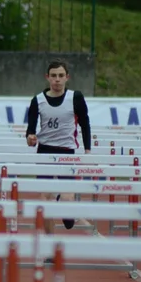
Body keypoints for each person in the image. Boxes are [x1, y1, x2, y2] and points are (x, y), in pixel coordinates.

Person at [25, 60, 92, 233]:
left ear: (67, 77)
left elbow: (85, 124)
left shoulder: (75, 97)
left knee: (68, 211)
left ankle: (65, 203)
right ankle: (50, 247)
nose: (57, 80)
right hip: (45, 151)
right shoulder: (37, 101)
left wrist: (87, 150)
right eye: (53, 76)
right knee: (44, 201)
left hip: (67, 152)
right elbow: (30, 131)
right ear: (47, 77)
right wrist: (31, 138)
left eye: (61, 76)